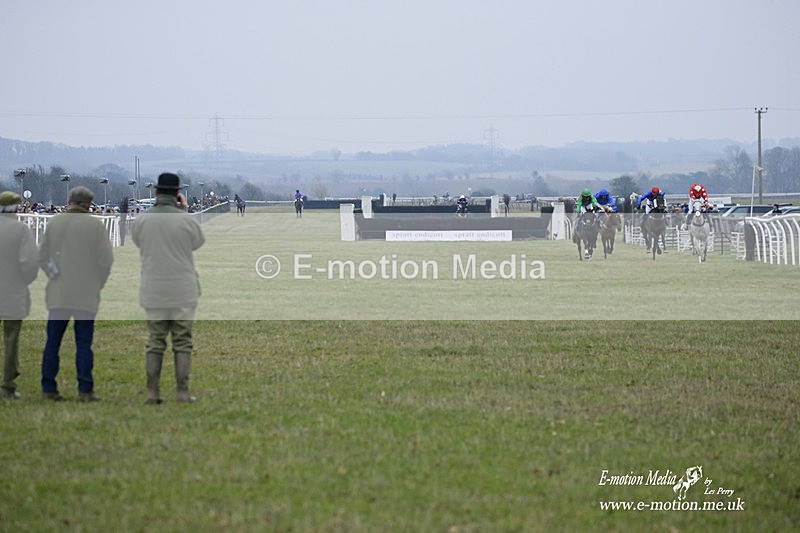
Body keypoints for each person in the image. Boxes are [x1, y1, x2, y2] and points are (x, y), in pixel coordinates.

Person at [132, 173, 205, 404]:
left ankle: (153, 392)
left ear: (156, 193)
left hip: (154, 288)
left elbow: (137, 241)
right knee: (182, 341)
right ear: (177, 194)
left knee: (155, 340)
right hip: (182, 289)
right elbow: (198, 242)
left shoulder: (143, 220)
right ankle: (182, 392)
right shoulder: (186, 220)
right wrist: (183, 212)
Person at [39, 187, 114, 402]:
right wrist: (97, 283)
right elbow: (105, 261)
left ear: (69, 200)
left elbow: (43, 256)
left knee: (53, 342)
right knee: (83, 343)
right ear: (88, 204)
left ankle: (49, 387)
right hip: (86, 293)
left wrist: (54, 275)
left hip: (59, 292)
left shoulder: (54, 223)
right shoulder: (95, 225)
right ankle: (85, 389)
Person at [0, 191, 39, 399]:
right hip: (12, 293)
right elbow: (30, 263)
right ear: (16, 208)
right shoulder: (21, 230)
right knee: (11, 340)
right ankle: (7, 385)